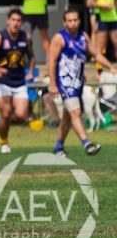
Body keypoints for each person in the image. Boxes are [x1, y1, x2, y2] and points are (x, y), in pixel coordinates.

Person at [46, 9, 111, 156]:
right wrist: (53, 84)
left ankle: (58, 147)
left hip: (78, 83)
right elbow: (51, 61)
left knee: (68, 116)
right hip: (64, 82)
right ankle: (87, 144)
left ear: (79, 21)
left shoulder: (83, 37)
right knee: (76, 112)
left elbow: (96, 55)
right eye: (69, 20)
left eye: (75, 20)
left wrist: (111, 67)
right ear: (64, 22)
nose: (73, 23)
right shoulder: (59, 38)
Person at [0, 8, 34, 154]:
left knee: (21, 115)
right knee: (6, 113)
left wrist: (30, 71)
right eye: (13, 20)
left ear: (22, 23)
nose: (16, 23)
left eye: (19, 21)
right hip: (2, 82)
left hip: (19, 83)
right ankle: (4, 142)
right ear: (8, 20)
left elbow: (31, 56)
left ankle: (2, 123)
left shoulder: (26, 38)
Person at [86, 0, 117, 65]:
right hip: (102, 18)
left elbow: (114, 0)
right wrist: (103, 6)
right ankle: (99, 71)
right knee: (101, 46)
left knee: (116, 42)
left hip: (113, 17)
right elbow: (89, 2)